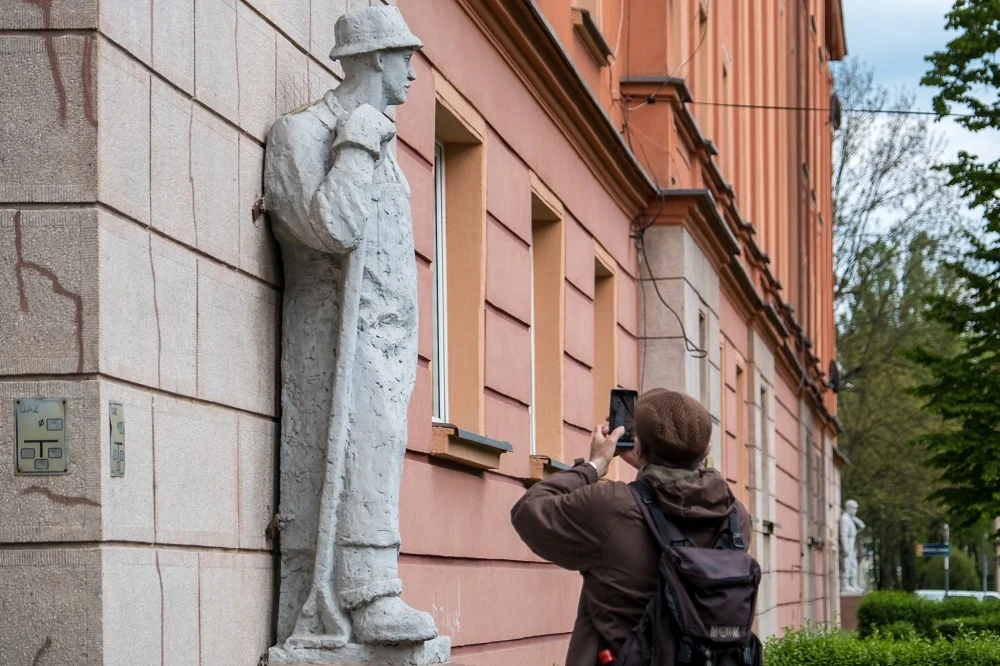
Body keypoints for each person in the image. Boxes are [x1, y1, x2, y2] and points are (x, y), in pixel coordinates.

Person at [264, 6, 436, 647]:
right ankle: (363, 595)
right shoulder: (305, 133)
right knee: (356, 453)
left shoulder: (385, 143)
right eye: (403, 58)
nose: (412, 73)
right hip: (340, 341)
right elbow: (332, 230)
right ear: (371, 59)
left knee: (380, 458)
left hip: (388, 342)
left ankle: (377, 583)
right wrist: (357, 141)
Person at [511, 387, 752, 665]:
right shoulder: (735, 518)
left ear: (637, 446)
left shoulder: (612, 507)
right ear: (707, 450)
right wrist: (652, 458)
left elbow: (528, 511)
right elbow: (685, 494)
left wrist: (594, 465)